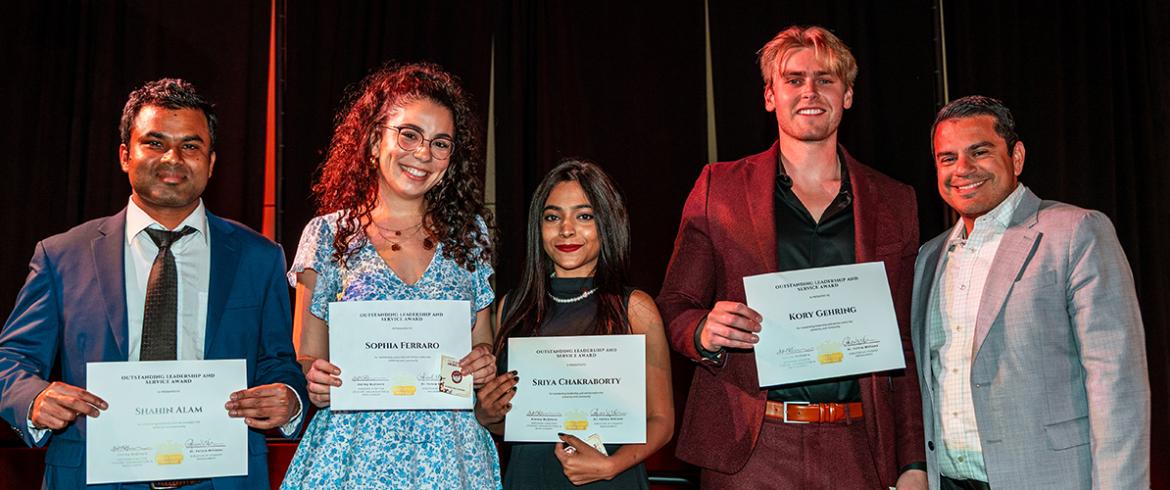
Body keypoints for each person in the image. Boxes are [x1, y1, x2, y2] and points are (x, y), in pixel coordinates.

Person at [0, 78, 308, 489]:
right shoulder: (61, 257)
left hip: (223, 476)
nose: (173, 159)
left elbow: (278, 361)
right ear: (125, 155)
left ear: (212, 162)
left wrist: (288, 398)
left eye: (191, 146)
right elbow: (13, 357)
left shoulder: (260, 257)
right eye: (155, 143)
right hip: (92, 476)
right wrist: (33, 398)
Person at [656, 25, 926, 488]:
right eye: (794, 79)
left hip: (858, 445)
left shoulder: (894, 201)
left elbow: (902, 343)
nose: (810, 92)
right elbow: (675, 305)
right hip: (752, 449)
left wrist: (912, 462)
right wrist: (703, 331)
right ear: (770, 95)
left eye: (825, 79)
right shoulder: (717, 189)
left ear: (847, 96)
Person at [280, 62, 501, 488]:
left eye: (441, 143)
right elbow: (306, 353)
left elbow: (481, 342)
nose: (423, 154)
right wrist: (316, 377)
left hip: (448, 456)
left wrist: (483, 361)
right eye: (409, 134)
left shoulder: (470, 235)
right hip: (352, 455)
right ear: (372, 139)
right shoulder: (326, 235)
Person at [911, 95, 1150, 489]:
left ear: (1016, 157)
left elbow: (1117, 387)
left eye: (980, 151)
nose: (962, 169)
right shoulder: (930, 257)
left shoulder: (1076, 233)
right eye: (947, 158)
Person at [475, 159, 674, 488]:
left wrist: (611, 466)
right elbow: (513, 423)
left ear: (607, 224)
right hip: (531, 478)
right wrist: (486, 415)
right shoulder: (513, 305)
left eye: (584, 216)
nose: (566, 229)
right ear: (538, 227)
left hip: (610, 480)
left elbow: (662, 420)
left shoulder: (636, 308)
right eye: (553, 216)